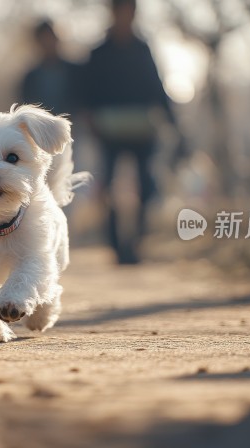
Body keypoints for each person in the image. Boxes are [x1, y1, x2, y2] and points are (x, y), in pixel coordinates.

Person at [80, 0, 180, 264]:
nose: (126, 16)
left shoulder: (142, 48)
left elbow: (156, 86)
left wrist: (172, 121)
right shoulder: (98, 52)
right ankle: (115, 244)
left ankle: (136, 242)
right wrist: (90, 118)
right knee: (109, 187)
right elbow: (87, 90)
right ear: (113, 13)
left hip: (143, 128)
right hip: (108, 129)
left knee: (146, 186)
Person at [20, 20, 79, 116]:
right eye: (44, 39)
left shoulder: (75, 71)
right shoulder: (30, 77)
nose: (48, 43)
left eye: (50, 38)